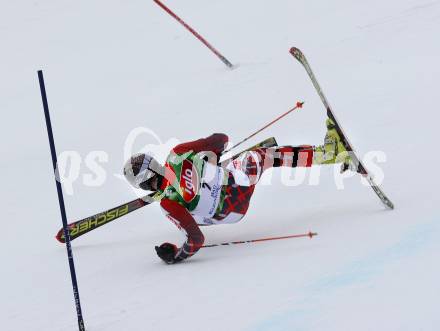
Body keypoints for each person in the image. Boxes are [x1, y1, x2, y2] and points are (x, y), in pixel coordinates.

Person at [123, 119, 353, 264]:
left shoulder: (167, 205)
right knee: (266, 156)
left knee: (195, 208)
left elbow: (196, 240)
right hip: (237, 185)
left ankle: (213, 178)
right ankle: (333, 153)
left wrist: (174, 255)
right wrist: (212, 154)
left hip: (232, 214)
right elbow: (221, 139)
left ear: (143, 185)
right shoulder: (177, 153)